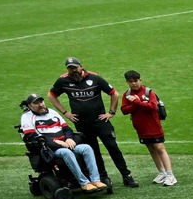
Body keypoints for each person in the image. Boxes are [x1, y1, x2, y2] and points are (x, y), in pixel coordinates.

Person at [50, 57, 135, 186]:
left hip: (100, 121)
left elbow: (114, 94)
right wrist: (65, 113)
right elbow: (51, 95)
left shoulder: (95, 78)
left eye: (75, 67)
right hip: (82, 123)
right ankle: (103, 177)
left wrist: (111, 112)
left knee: (113, 147)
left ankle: (126, 175)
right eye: (70, 68)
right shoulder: (63, 81)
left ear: (81, 66)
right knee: (93, 151)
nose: (73, 70)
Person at [20, 92, 105, 191]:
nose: (41, 105)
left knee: (87, 148)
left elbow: (67, 129)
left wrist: (69, 138)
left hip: (66, 143)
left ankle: (96, 180)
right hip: (50, 149)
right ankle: (84, 183)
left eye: (41, 102)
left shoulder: (52, 112)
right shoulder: (27, 117)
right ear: (30, 106)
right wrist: (55, 142)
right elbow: (32, 136)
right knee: (67, 152)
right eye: (37, 103)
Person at [118, 70, 175, 186]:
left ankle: (170, 175)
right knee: (151, 149)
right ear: (127, 82)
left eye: (136, 81)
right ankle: (162, 172)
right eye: (131, 81)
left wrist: (137, 102)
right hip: (141, 128)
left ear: (140, 80)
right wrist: (134, 104)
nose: (134, 83)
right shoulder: (127, 95)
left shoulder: (149, 92)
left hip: (153, 126)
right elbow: (124, 110)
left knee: (160, 148)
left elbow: (153, 107)